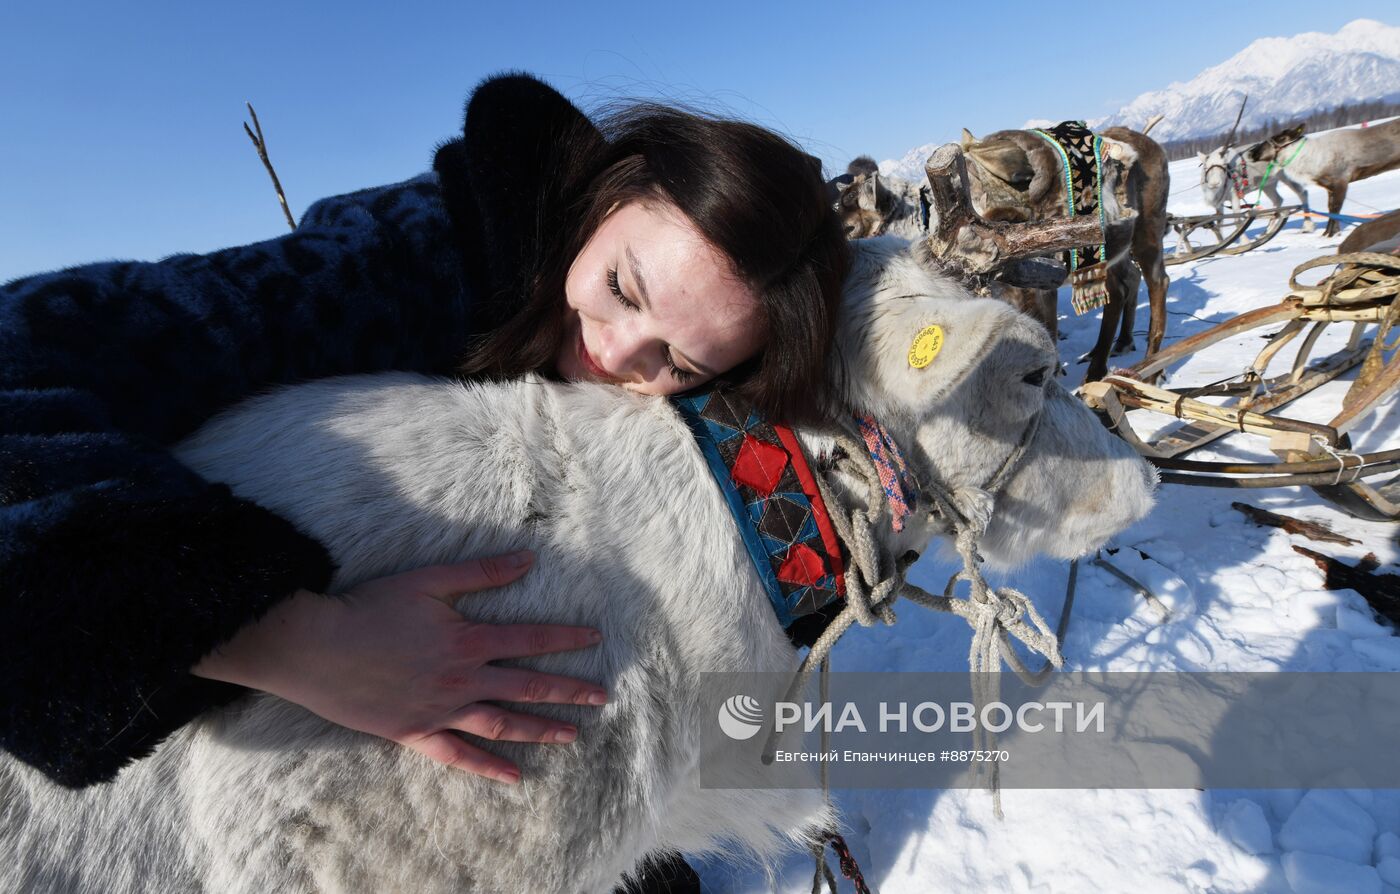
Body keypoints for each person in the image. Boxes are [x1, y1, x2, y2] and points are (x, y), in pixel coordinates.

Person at [0, 71, 848, 891]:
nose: (618, 354)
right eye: (623, 287)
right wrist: (306, 644)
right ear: (613, 188)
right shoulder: (389, 267)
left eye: (679, 360)